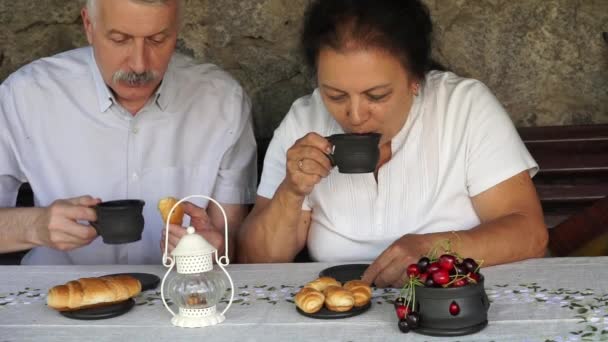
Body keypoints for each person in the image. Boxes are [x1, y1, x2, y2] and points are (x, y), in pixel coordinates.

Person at [238, 0, 548, 287]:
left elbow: (528, 233)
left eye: (376, 96)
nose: (355, 115)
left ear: (415, 78)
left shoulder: (463, 107)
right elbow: (258, 261)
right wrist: (291, 192)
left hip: (451, 303)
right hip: (343, 311)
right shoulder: (303, 120)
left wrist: (433, 249)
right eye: (334, 95)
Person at [0, 0, 257, 264]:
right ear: (89, 25)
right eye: (120, 39)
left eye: (157, 40)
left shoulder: (223, 102)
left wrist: (212, 251)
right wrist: (35, 226)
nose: (139, 65)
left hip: (174, 297)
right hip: (53, 296)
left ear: (177, 30)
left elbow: (229, 247)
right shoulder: (27, 95)